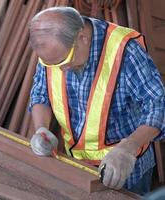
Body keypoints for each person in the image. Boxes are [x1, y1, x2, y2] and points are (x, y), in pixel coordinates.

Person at [28, 6, 165, 195]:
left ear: (82, 38)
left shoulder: (125, 51)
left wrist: (129, 147)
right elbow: (40, 93)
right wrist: (41, 128)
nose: (60, 69)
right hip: (76, 165)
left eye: (64, 62)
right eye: (52, 64)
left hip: (126, 169)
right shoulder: (55, 52)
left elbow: (158, 105)